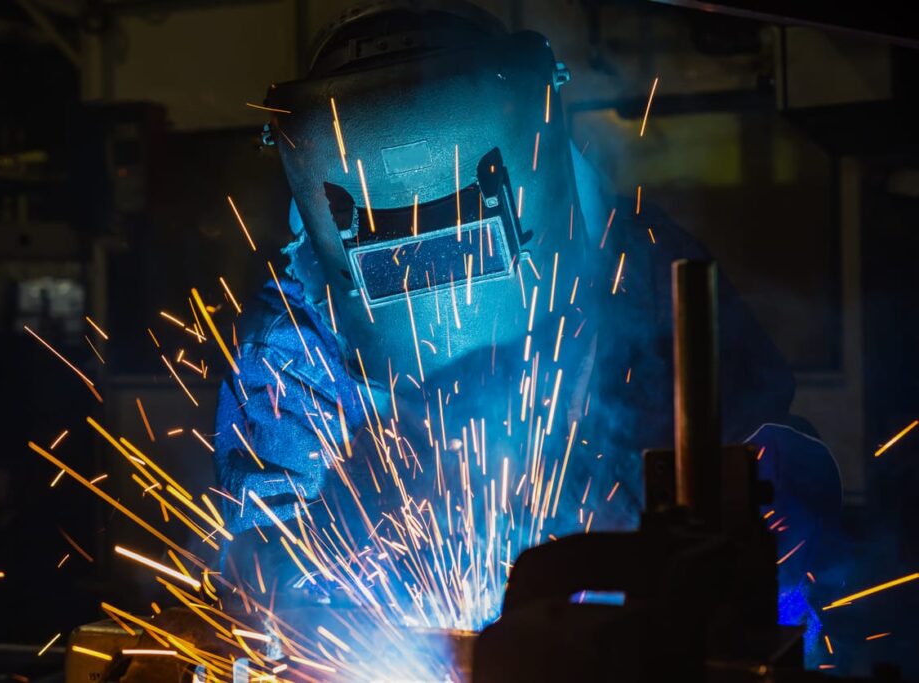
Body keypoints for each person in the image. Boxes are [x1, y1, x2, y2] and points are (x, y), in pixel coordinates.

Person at [212, 0, 843, 665]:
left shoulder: (641, 270)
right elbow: (266, 582)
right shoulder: (292, 342)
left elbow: (769, 452)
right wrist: (329, 537)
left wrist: (781, 513)